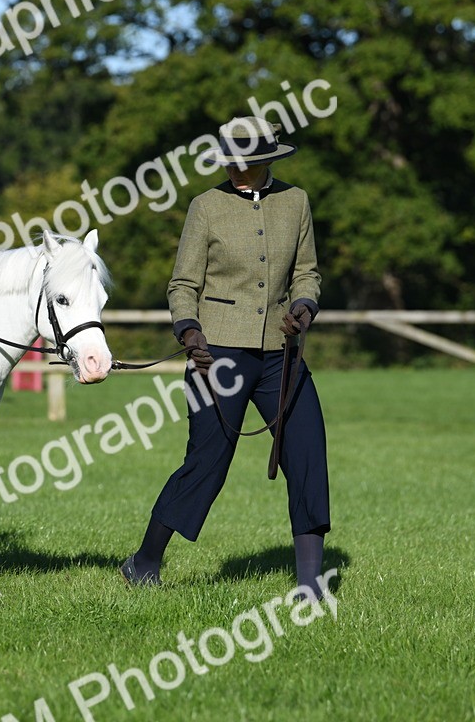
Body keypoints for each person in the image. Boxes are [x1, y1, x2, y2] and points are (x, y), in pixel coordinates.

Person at [121, 116, 330, 600]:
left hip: (282, 353)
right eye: (231, 164)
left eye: (247, 164)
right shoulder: (206, 207)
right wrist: (188, 329)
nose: (237, 171)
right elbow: (183, 285)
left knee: (307, 453)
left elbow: (308, 273)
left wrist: (304, 305)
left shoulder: (295, 202)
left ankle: (310, 585)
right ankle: (145, 561)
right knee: (208, 461)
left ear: (267, 161)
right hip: (217, 356)